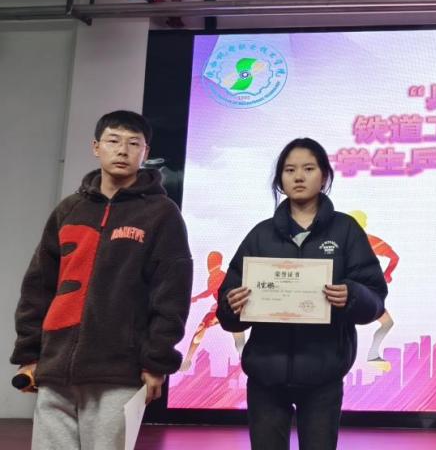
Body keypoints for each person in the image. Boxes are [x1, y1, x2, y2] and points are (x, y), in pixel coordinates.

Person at [11, 110, 193, 450]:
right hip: (55, 367)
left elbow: (171, 295)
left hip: (119, 372)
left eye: (133, 143)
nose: (122, 150)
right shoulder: (69, 210)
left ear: (145, 152)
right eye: (113, 141)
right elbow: (38, 286)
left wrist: (156, 361)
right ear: (96, 147)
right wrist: (29, 353)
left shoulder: (161, 214)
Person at [218, 137, 387, 450]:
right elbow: (227, 307)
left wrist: (351, 295)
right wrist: (232, 305)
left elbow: (375, 299)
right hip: (266, 374)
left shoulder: (346, 230)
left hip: (323, 373)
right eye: (289, 170)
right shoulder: (260, 235)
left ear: (324, 176)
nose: (298, 176)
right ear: (280, 180)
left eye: (308, 169)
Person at [181, 250, 247, 371]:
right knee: (202, 327)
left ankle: (244, 359)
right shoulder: (212, 277)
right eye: (209, 262)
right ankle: (188, 360)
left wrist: (196, 297)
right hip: (220, 309)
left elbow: (210, 291)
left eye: (212, 261)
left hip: (229, 309)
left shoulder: (221, 275)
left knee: (238, 335)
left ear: (218, 263)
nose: (209, 264)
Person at [347, 210, 399, 363]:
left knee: (387, 322)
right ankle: (371, 354)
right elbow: (394, 257)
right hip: (349, 293)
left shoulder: (368, 240)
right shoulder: (365, 240)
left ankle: (372, 354)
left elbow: (394, 257)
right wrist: (387, 274)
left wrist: (387, 274)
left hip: (364, 294)